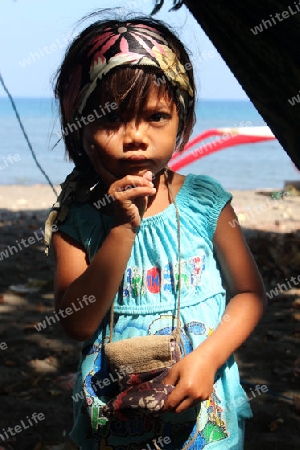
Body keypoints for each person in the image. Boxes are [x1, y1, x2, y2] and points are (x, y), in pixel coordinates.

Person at [47, 12, 266, 450]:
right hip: (114, 419)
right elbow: (76, 322)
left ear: (182, 122)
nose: (135, 137)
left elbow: (248, 293)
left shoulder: (205, 202)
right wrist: (121, 231)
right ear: (80, 129)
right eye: (111, 121)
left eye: (156, 117)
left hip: (204, 411)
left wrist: (208, 359)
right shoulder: (76, 220)